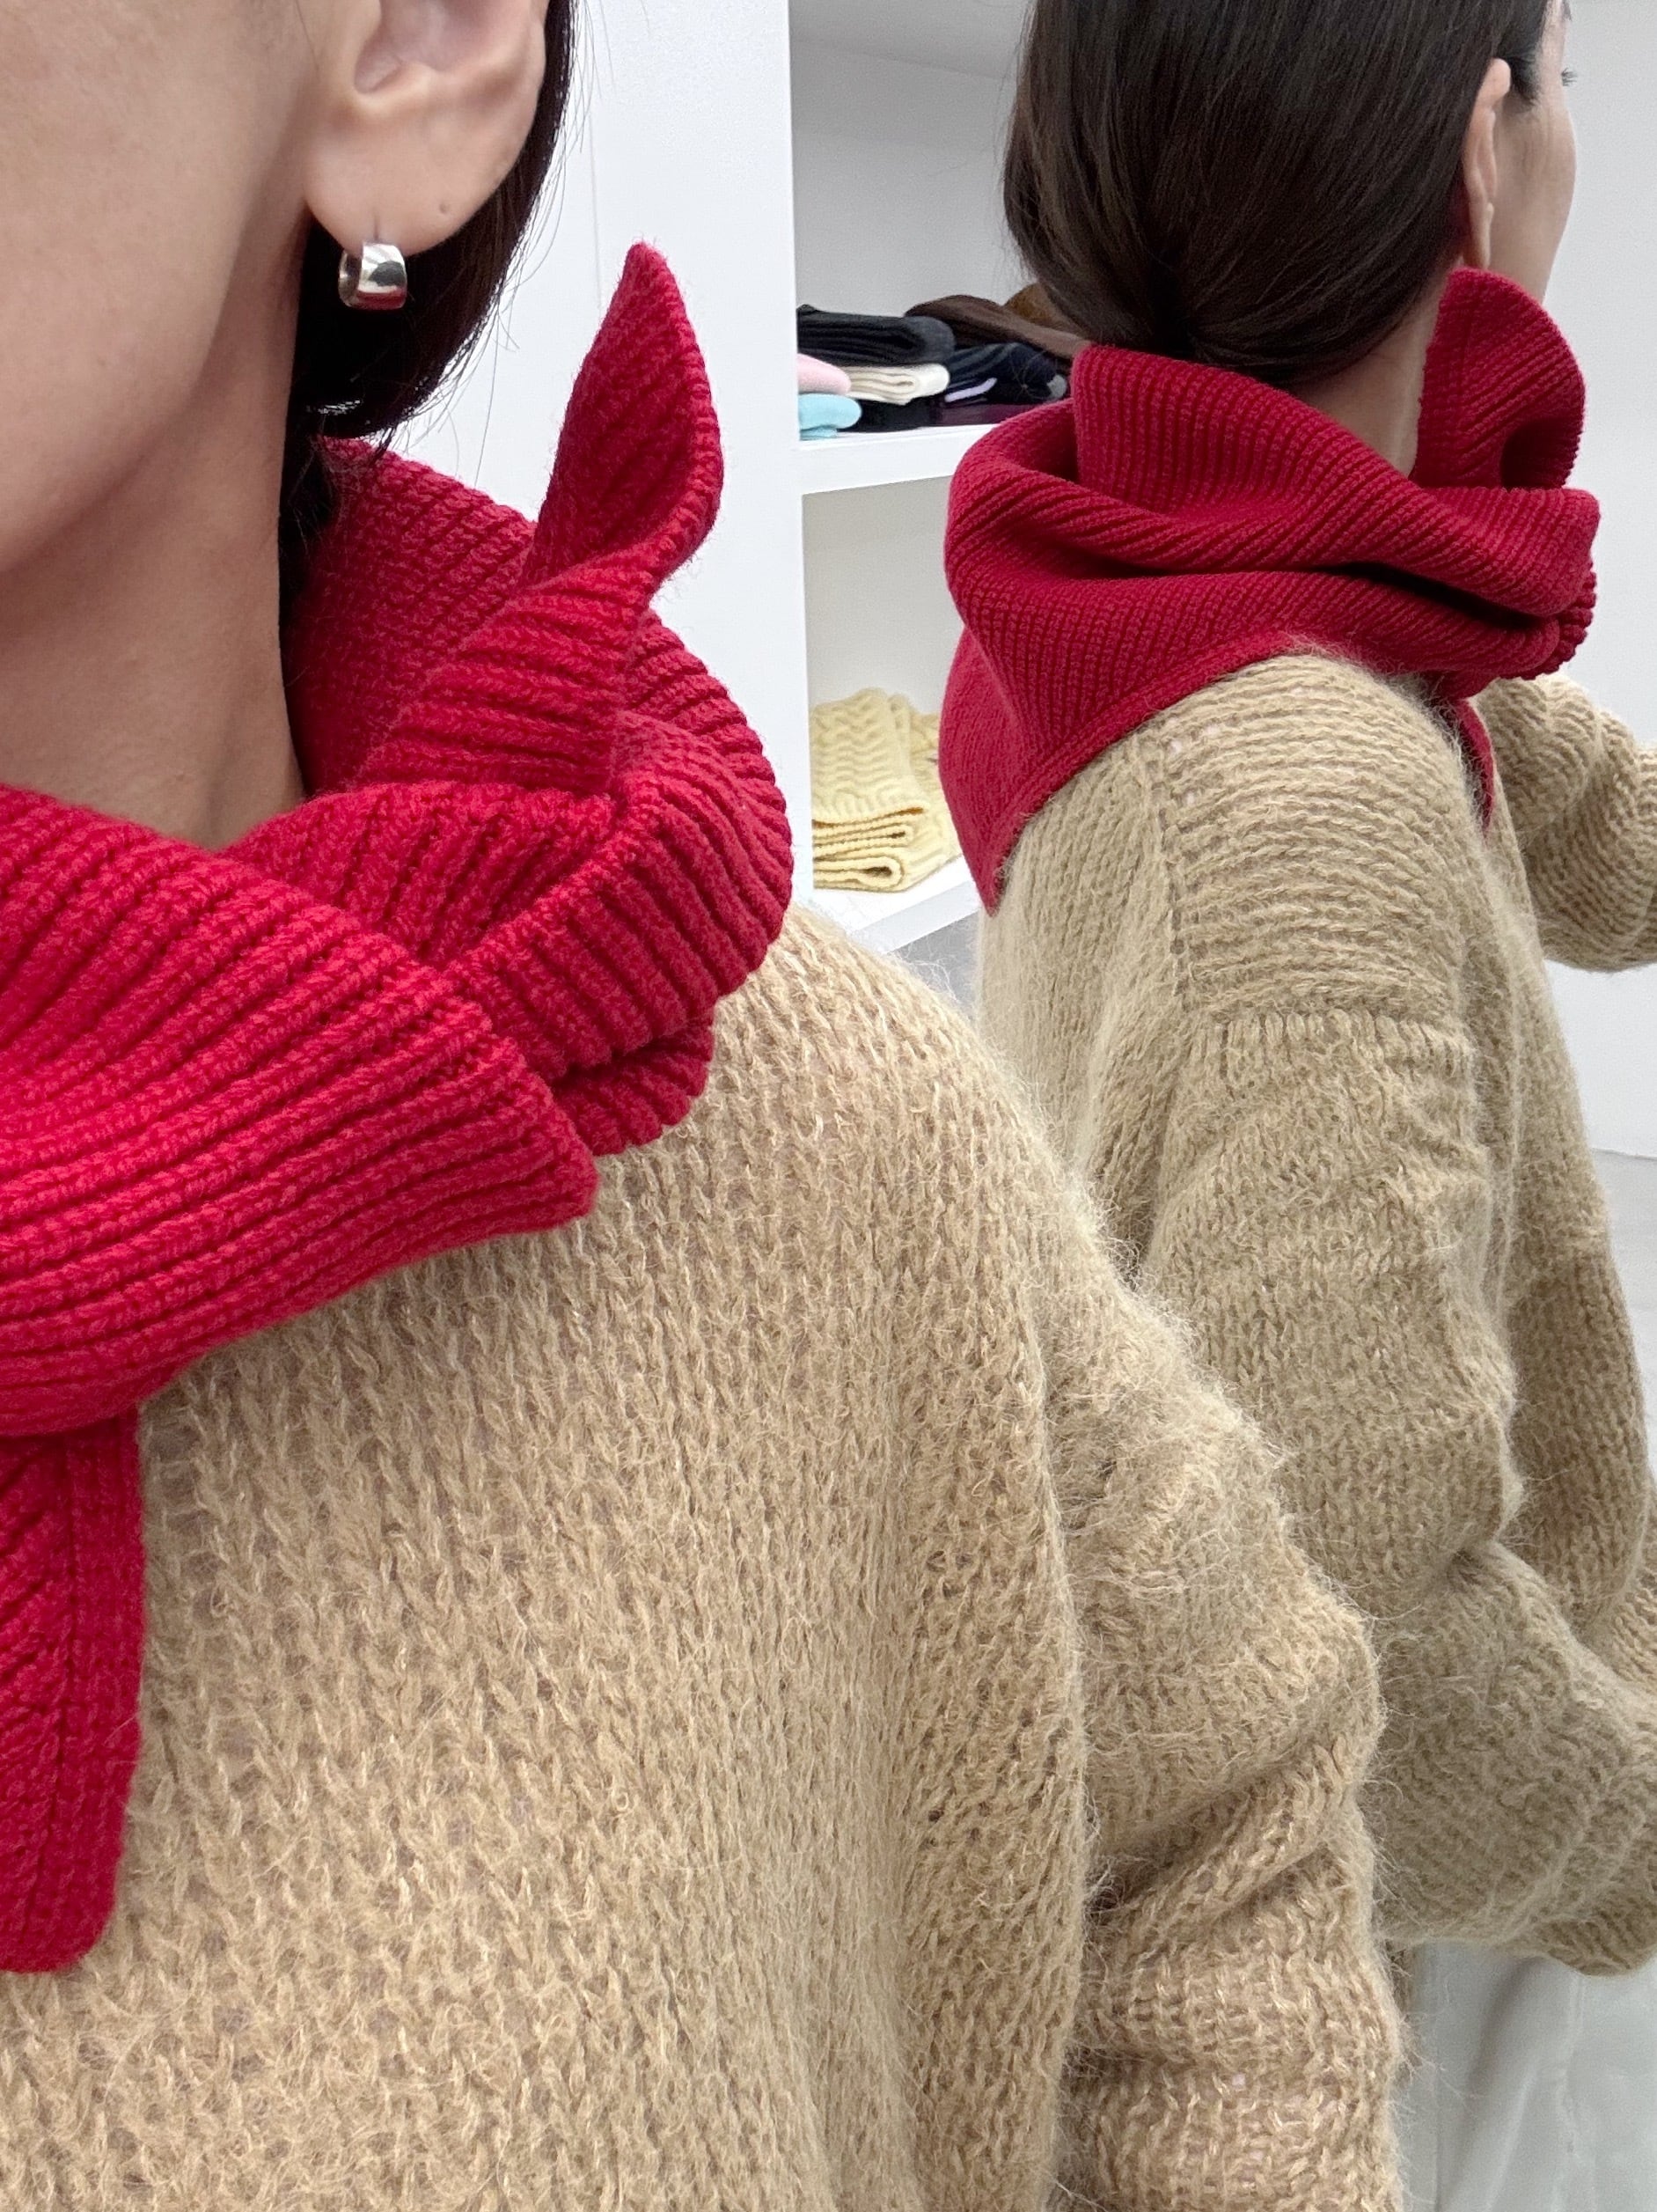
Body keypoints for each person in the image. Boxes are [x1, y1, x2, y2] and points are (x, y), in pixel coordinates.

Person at [0, 1, 1404, 2205]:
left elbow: (1226, 1798)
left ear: (410, 38)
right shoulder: (1309, 779)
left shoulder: (792, 1110)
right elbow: (1397, 1484)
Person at [939, 1, 1657, 2205]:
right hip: (1404, 1944)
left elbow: (1543, 785)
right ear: (1480, 147)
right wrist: (1641, 1832)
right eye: (1563, 75)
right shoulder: (1302, 788)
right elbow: (1370, 1640)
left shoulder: (1148, 574)